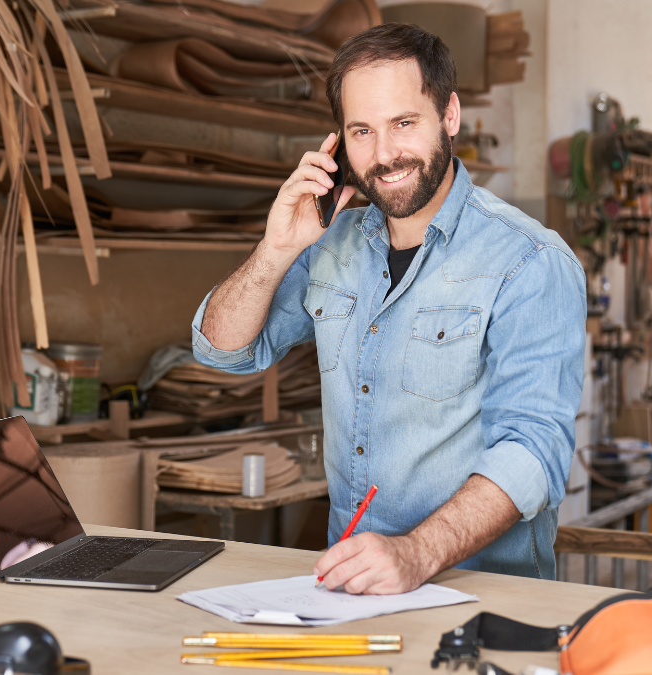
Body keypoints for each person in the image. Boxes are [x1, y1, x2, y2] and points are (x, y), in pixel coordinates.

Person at [190, 23, 586, 594]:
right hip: (351, 592)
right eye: (361, 131)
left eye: (404, 123)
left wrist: (416, 554)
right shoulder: (331, 244)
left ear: (448, 116)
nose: (384, 154)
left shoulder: (530, 261)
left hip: (483, 599)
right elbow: (221, 351)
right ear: (339, 143)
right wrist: (276, 248)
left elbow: (534, 451)